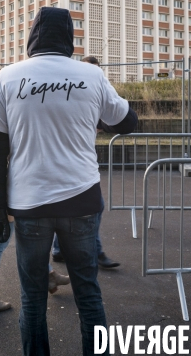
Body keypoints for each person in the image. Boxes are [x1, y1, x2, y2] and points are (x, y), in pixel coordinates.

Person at [0, 7, 137, 355]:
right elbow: (128, 122)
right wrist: (92, 114)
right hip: (81, 201)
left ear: (33, 35)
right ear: (69, 37)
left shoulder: (8, 77)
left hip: (28, 204)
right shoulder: (91, 75)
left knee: (33, 299)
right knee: (88, 294)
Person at [0, 128, 70, 312]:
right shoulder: (2, 127)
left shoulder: (2, 124)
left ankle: (49, 274)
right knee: (0, 242)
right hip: (8, 192)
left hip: (13, 190)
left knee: (26, 236)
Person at [51, 55, 120, 270]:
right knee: (93, 207)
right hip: (71, 161)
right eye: (92, 70)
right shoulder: (72, 89)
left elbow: (110, 121)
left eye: (98, 70)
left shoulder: (92, 90)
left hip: (79, 158)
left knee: (62, 208)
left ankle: (58, 249)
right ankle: (95, 252)